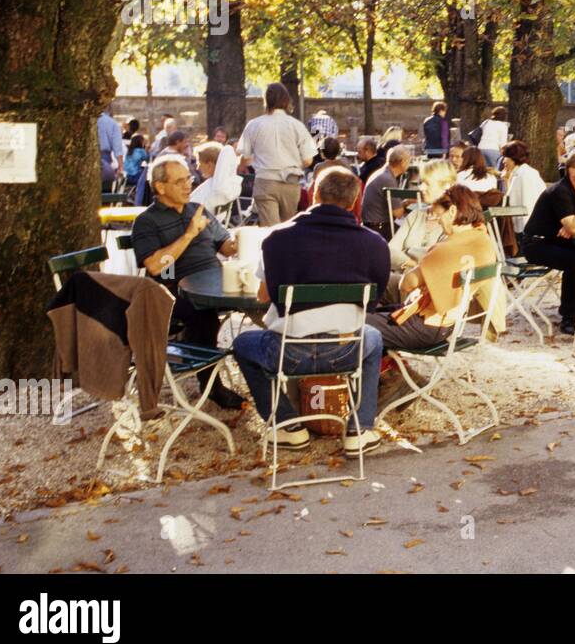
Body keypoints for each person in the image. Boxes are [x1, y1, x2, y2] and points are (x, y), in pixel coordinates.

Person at [231, 167, 390, 453]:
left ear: (314, 194)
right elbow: (373, 300)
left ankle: (287, 425)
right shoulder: (375, 243)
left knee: (242, 344)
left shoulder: (277, 238)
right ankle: (360, 428)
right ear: (355, 202)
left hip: (288, 353)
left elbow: (264, 295)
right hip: (346, 350)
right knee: (374, 338)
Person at [131, 155, 243, 408]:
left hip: (216, 281)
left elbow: (225, 247)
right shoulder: (147, 221)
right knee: (203, 315)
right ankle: (211, 387)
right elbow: (155, 265)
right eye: (180, 181)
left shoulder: (197, 210)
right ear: (160, 187)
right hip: (172, 287)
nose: (188, 185)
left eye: (189, 179)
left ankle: (270, 372)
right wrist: (190, 233)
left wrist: (242, 241)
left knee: (260, 299)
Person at [366, 184, 503, 356]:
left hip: (426, 326)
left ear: (452, 211)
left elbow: (406, 284)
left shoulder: (447, 248)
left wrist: (419, 260)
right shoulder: (482, 239)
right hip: (450, 323)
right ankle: (390, 371)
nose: (438, 220)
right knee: (376, 314)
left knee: (354, 323)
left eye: (439, 215)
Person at [519, 150, 575, 333]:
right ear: (571, 170)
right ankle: (569, 320)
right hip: (537, 244)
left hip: (559, 241)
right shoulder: (560, 191)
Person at [236, 83, 317, 226]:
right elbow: (308, 160)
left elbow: (246, 158)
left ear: (266, 100)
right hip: (291, 181)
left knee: (270, 229)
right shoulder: (297, 125)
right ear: (286, 101)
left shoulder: (254, 125)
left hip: (265, 181)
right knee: (286, 227)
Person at [389, 159, 458, 275]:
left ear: (446, 186)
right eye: (421, 182)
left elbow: (437, 259)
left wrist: (407, 252)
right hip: (405, 279)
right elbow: (389, 251)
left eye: (427, 183)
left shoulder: (454, 219)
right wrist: (412, 263)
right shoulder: (416, 214)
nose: (421, 188)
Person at [361, 144, 410, 236]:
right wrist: (408, 203)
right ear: (403, 162)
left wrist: (407, 202)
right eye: (409, 160)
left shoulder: (383, 173)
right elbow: (398, 213)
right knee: (411, 233)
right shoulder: (387, 179)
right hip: (379, 228)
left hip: (372, 225)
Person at [501, 141, 546, 235]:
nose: (503, 161)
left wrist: (525, 233)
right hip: (523, 228)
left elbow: (528, 204)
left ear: (514, 157)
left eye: (506, 157)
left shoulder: (525, 175)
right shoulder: (518, 173)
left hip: (527, 230)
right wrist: (506, 180)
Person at [190, 141, 243, 214]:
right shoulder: (225, 186)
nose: (197, 168)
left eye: (199, 163)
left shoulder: (213, 189)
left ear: (209, 165)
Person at [473, 105, 510, 171]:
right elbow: (502, 143)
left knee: (482, 170)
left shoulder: (486, 122)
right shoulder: (503, 126)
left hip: (481, 148)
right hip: (493, 149)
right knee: (495, 170)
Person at [97, 104, 123, 188]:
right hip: (105, 159)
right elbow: (118, 147)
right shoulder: (112, 123)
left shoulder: (84, 120)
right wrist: (120, 167)